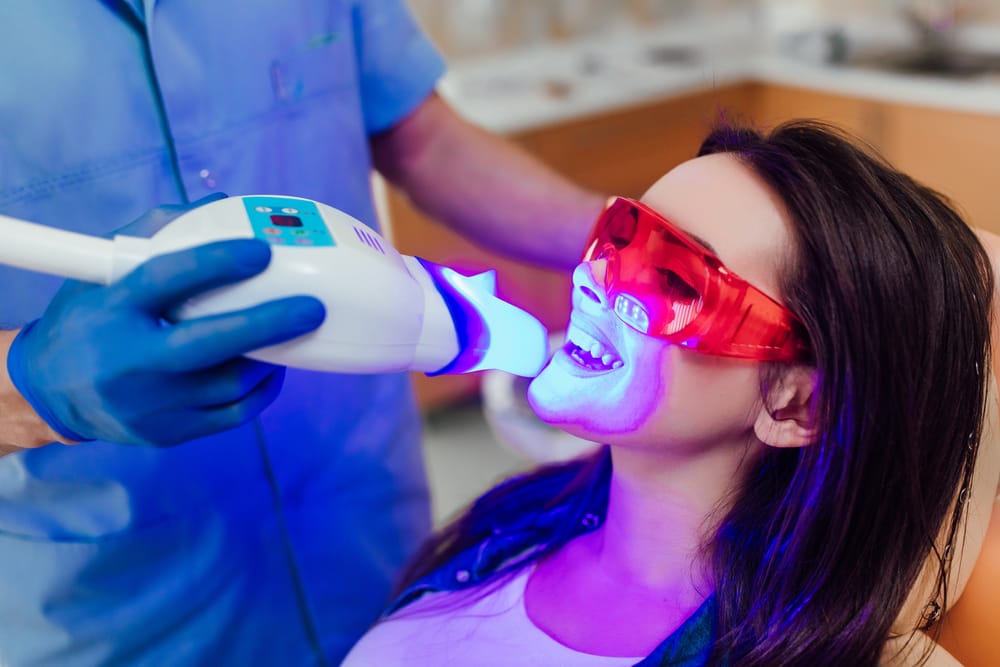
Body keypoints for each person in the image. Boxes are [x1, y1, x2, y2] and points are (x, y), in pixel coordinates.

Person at [0, 2, 604, 665]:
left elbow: (421, 137)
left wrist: (617, 244)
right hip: (118, 612)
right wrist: (31, 386)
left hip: (369, 542)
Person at [343, 120, 1000, 667]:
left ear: (797, 403)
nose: (595, 275)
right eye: (619, 232)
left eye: (671, 277)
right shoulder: (511, 527)